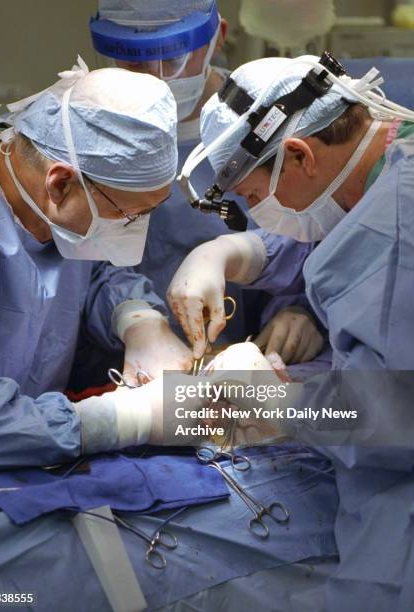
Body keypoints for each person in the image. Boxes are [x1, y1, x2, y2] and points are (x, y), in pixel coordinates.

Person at [167, 54, 414, 610]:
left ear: (299, 153)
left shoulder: (398, 225)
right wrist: (227, 250)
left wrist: (281, 405)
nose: (260, 216)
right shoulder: (392, 156)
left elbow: (395, 416)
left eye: (255, 200)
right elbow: (339, 227)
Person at [0, 58, 196, 469]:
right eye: (129, 216)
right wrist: (126, 419)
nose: (135, 231)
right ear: (59, 184)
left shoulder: (49, 207)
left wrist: (137, 318)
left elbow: (91, 269)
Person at [89, 0, 324, 369]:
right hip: (123, 369)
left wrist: (305, 310)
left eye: (171, 58)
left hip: (257, 360)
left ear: (217, 38)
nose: (152, 75)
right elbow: (80, 270)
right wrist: (137, 322)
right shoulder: (82, 133)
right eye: (132, 60)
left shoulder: (269, 123)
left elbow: (318, 237)